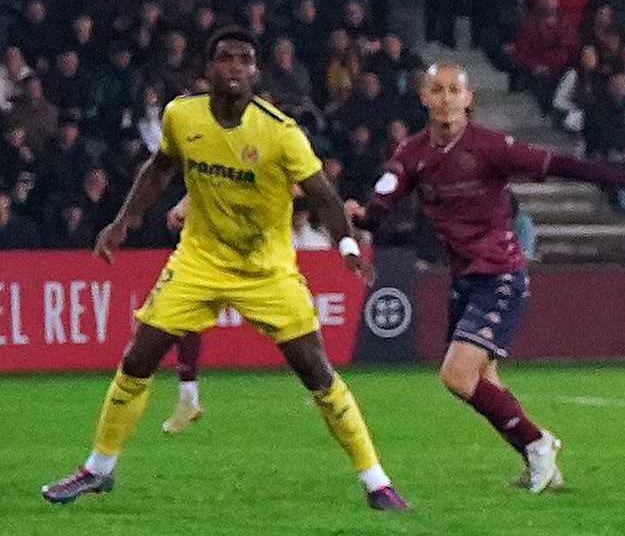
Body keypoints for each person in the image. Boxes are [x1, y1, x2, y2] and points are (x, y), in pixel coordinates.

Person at [43, 28, 399, 511]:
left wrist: (349, 249)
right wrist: (123, 220)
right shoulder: (181, 114)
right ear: (207, 70)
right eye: (224, 58)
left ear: (256, 72)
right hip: (200, 260)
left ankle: (377, 482)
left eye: (244, 60)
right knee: (138, 358)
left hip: (266, 268)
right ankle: (98, 469)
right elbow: (159, 168)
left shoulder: (280, 132)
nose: (234, 67)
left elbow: (323, 196)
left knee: (316, 370)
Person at [357, 63, 625, 491]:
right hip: (464, 278)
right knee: (483, 382)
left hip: (501, 275)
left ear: (469, 99)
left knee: (456, 376)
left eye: (455, 89)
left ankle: (537, 443)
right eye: (438, 90)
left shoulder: (490, 147)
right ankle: (540, 461)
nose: (447, 97)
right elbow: (383, 199)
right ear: (424, 98)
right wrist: (361, 215)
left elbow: (561, 164)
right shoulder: (412, 154)